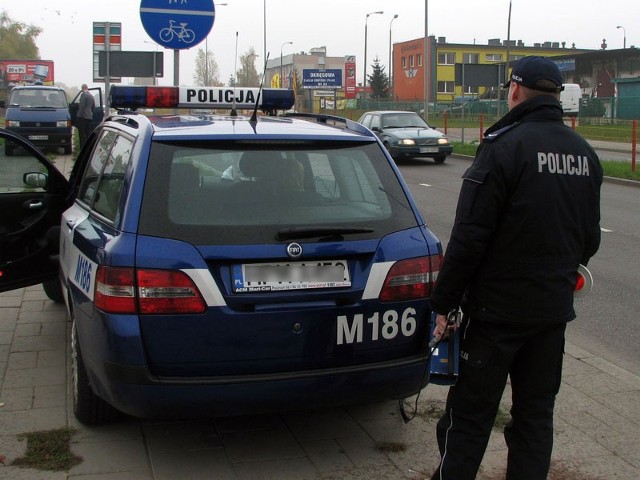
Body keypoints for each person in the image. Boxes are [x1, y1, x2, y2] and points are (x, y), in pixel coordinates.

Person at [428, 56, 602, 480]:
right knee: (535, 419)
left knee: (469, 419)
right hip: (550, 317)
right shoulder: (584, 154)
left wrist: (443, 305)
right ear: (558, 96)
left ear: (515, 91)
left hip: (495, 318)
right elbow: (589, 241)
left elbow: (469, 238)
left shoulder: (502, 147)